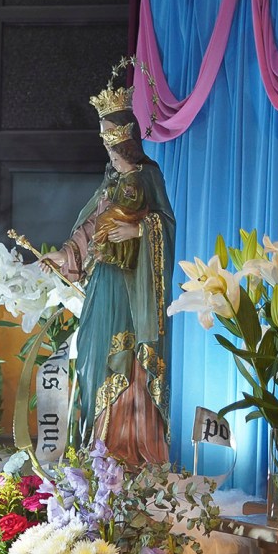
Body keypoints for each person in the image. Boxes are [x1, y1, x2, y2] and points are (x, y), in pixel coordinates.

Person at [41, 82, 174, 466]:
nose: (109, 154)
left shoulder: (148, 176)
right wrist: (64, 253)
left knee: (125, 354)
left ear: (127, 142)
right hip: (105, 280)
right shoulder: (111, 181)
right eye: (105, 146)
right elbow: (90, 228)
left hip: (133, 286)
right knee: (94, 355)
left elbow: (166, 224)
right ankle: (97, 446)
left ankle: (126, 447)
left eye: (113, 146)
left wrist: (139, 230)